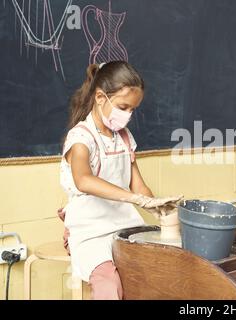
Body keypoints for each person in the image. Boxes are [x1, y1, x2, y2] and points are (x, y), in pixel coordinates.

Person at [60, 61, 181, 299]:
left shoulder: (124, 137)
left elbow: (137, 183)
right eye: (123, 107)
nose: (127, 115)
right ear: (100, 97)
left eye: (132, 110)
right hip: (90, 232)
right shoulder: (80, 138)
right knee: (109, 282)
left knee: (155, 273)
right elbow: (83, 180)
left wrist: (156, 205)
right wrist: (134, 198)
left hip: (124, 227)